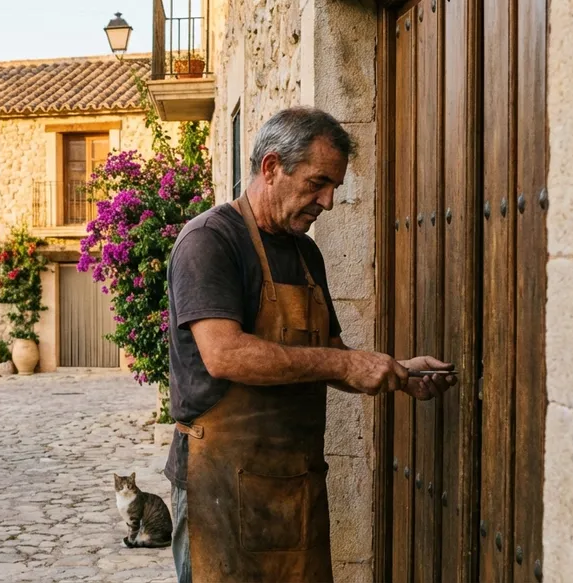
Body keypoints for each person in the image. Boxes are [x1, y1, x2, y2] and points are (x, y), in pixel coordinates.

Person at [165, 107, 456, 583]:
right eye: (318, 183)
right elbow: (225, 354)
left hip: (296, 483)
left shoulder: (306, 253)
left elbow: (331, 353)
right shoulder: (210, 241)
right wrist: (346, 366)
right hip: (218, 483)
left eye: (335, 187)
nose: (328, 201)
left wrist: (397, 372)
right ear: (271, 167)